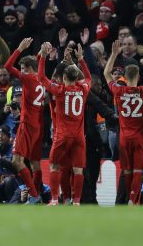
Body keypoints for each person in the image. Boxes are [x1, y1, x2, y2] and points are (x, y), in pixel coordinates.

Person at [104, 40, 143, 205]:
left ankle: (130, 197)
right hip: (140, 138)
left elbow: (107, 73)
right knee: (137, 170)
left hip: (124, 138)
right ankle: (133, 200)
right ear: (139, 76)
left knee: (126, 170)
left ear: (125, 76)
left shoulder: (118, 91)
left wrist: (114, 54)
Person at [38, 42, 91, 206]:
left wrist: (43, 56)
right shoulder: (83, 88)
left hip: (62, 135)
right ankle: (76, 202)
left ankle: (54, 199)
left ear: (64, 78)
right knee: (78, 169)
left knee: (54, 165)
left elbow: (41, 77)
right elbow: (88, 77)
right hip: (79, 136)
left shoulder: (59, 90)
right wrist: (80, 60)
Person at [3, 37, 45, 203]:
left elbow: (7, 67)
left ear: (28, 69)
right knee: (35, 164)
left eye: (23, 68)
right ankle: (37, 196)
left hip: (26, 124)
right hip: (38, 126)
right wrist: (42, 54)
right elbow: (36, 64)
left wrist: (19, 48)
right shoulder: (41, 78)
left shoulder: (27, 79)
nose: (21, 71)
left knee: (17, 161)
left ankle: (35, 195)